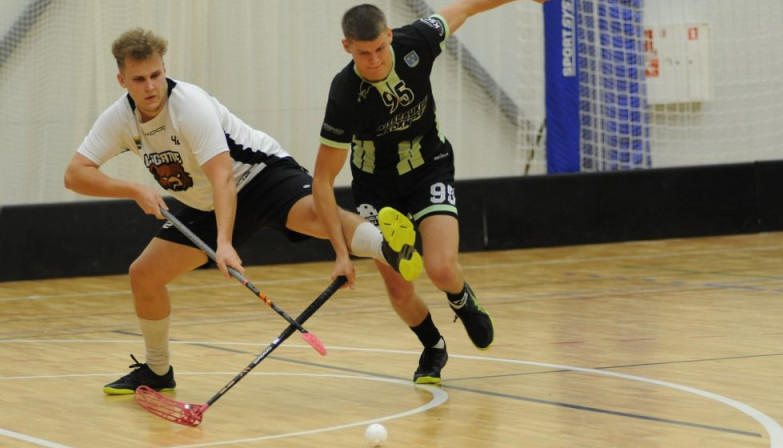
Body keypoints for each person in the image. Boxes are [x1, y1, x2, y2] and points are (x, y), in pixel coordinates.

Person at [64, 28, 422, 395]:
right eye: (139, 79)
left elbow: (223, 176)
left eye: (156, 75)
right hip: (203, 202)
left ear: (163, 68)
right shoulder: (119, 119)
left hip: (260, 175)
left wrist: (223, 242)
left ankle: (390, 248)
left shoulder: (188, 105)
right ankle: (157, 371)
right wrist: (133, 189)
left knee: (316, 214)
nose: (151, 86)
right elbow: (75, 175)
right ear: (122, 80)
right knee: (143, 275)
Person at [312, 0, 548, 385]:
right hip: (376, 186)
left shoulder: (416, 41)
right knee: (399, 287)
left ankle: (461, 299)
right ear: (347, 47)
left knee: (439, 268)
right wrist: (341, 253)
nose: (373, 60)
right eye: (362, 53)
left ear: (390, 36)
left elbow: (465, 9)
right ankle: (433, 345)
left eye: (379, 49)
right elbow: (322, 180)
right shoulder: (343, 94)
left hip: (428, 166)